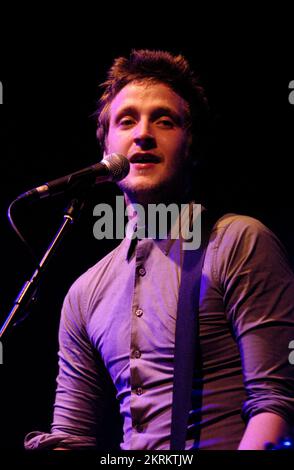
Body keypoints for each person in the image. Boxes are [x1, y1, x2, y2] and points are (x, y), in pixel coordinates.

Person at [24, 49, 294, 451]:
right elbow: (72, 433)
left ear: (191, 147)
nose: (144, 133)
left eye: (164, 121)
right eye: (127, 120)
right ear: (106, 149)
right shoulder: (84, 293)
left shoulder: (239, 242)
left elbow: (277, 405)